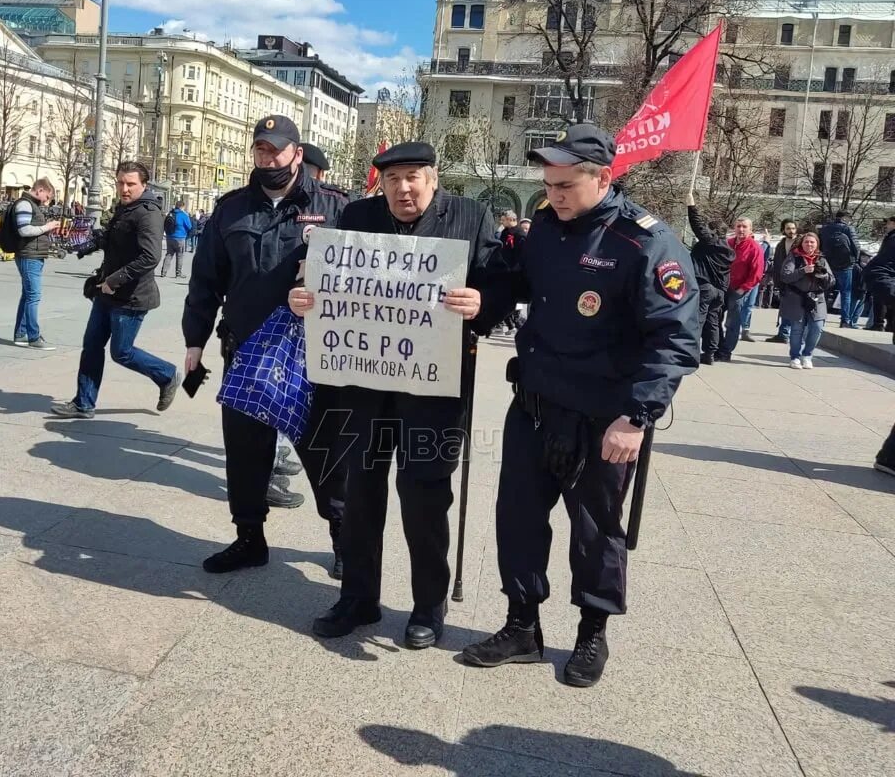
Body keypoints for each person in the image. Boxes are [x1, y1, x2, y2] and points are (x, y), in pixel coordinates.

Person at [459, 123, 699, 688]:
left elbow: (674, 339)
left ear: (604, 177)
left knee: (595, 533)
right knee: (516, 520)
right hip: (536, 405)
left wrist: (637, 416)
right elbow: (513, 283)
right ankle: (522, 625)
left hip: (603, 417)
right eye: (549, 183)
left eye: (567, 184)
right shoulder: (545, 228)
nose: (556, 194)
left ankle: (593, 633)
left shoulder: (647, 243)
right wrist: (481, 303)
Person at [297, 142, 509, 650]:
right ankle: (358, 597)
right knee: (360, 495)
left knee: (424, 497)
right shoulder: (356, 215)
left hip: (433, 393)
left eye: (413, 177)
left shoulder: (469, 216)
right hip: (364, 386)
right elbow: (326, 281)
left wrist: (482, 302)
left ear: (433, 179)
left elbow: (501, 284)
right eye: (392, 179)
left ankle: (427, 606)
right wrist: (305, 295)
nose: (403, 188)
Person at [183, 114, 350, 575]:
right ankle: (249, 538)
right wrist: (193, 341)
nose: (267, 158)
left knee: (325, 452)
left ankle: (343, 540)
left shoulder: (336, 207)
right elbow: (205, 280)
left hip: (313, 355)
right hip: (247, 350)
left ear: (297, 153)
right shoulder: (232, 208)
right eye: (260, 150)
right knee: (245, 452)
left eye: (276, 150)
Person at [53, 162, 182, 418]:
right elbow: (114, 238)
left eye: (130, 184)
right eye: (121, 182)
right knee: (91, 345)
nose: (124, 188)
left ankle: (167, 374)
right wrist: (88, 245)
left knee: (121, 353)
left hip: (131, 295)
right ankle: (83, 403)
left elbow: (150, 257)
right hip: (106, 292)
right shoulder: (125, 208)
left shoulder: (148, 213)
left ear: (143, 185)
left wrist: (114, 280)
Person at [11, 178, 62, 348]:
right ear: (40, 190)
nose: (46, 201)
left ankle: (20, 334)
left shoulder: (31, 204)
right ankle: (33, 337)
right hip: (29, 255)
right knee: (34, 296)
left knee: (28, 295)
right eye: (46, 197)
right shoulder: (25, 204)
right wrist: (47, 227)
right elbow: (24, 229)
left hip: (33, 254)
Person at [686, 192, 734, 365]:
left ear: (714, 231)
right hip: (718, 291)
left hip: (705, 286)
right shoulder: (727, 251)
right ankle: (710, 353)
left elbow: (698, 226)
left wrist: (691, 206)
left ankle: (691, 352)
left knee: (698, 319)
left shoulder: (711, 242)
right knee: (713, 321)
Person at [778, 232, 834, 369]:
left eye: (812, 242)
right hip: (797, 297)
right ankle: (795, 356)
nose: (809, 245)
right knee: (797, 329)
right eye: (806, 242)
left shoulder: (821, 259)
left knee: (817, 327)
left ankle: (807, 355)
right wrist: (803, 270)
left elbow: (832, 281)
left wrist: (824, 276)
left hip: (817, 298)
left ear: (817, 244)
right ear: (801, 244)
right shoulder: (794, 257)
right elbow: (785, 276)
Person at [716, 216, 764, 360]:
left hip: (739, 290)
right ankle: (716, 346)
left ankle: (726, 352)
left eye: (744, 227)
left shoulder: (755, 247)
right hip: (723, 287)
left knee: (732, 321)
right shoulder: (728, 243)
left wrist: (742, 289)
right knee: (714, 318)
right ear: (734, 228)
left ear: (750, 230)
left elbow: (757, 273)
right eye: (738, 226)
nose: (741, 229)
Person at [820, 210, 862, 327]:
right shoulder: (848, 229)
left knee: (824, 291)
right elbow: (856, 246)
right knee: (846, 293)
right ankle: (845, 321)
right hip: (846, 265)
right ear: (844, 218)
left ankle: (819, 317)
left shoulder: (825, 229)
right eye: (849, 217)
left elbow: (820, 245)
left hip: (828, 264)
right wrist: (855, 260)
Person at [862, 215, 895, 343]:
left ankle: (883, 324)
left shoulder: (891, 238)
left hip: (882, 275)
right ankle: (880, 324)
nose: (886, 225)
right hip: (882, 275)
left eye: (889, 223)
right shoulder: (891, 238)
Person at [766, 219, 799, 343]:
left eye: (793, 228)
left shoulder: (800, 243)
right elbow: (777, 263)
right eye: (788, 228)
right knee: (784, 307)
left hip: (797, 279)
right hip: (784, 280)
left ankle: (790, 333)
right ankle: (783, 333)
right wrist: (777, 280)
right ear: (783, 230)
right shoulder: (781, 244)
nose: (791, 231)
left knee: (794, 308)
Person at [161, 200, 191, 278]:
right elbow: (189, 226)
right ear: (182, 207)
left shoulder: (170, 214)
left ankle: (163, 272)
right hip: (180, 237)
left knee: (169, 254)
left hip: (169, 237)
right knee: (180, 255)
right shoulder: (183, 215)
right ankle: (178, 273)